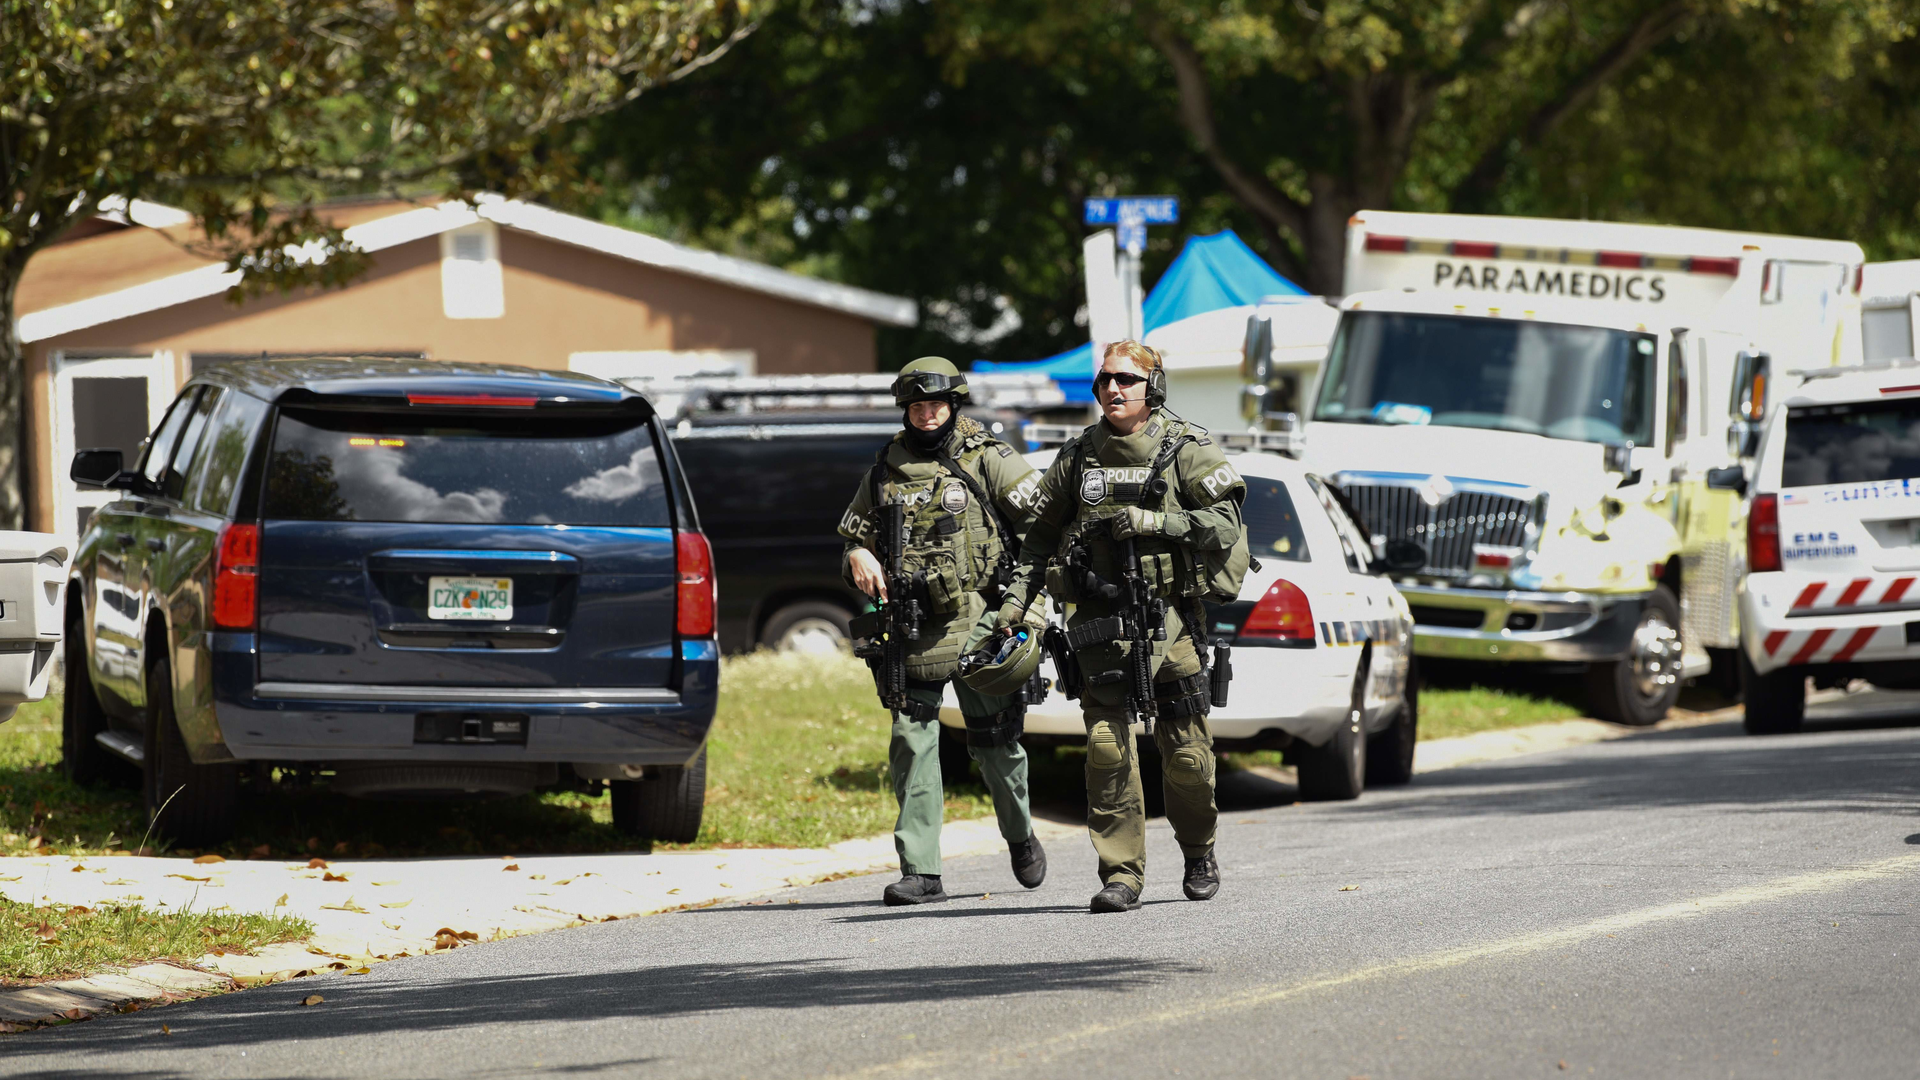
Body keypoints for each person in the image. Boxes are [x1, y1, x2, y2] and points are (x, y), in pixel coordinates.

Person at [997, 340, 1248, 913]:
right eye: (1105, 380)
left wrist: (1158, 520)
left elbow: (1226, 526)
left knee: (1186, 755)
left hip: (1172, 623)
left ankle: (1199, 849)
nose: (1113, 389)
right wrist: (1013, 605)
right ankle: (1121, 874)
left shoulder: (1187, 447)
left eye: (1127, 380)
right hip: (1100, 625)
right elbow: (1037, 541)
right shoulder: (1079, 455)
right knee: (1107, 749)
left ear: (1152, 386)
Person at [838, 357, 1049, 906]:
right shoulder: (885, 468)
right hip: (913, 628)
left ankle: (1021, 835)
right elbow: (854, 536)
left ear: (954, 405)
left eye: (935, 405)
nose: (926, 416)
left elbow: (1042, 532)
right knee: (911, 742)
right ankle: (922, 870)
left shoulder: (991, 460)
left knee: (995, 747)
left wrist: (1025, 609)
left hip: (983, 624)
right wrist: (859, 554)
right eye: (916, 407)